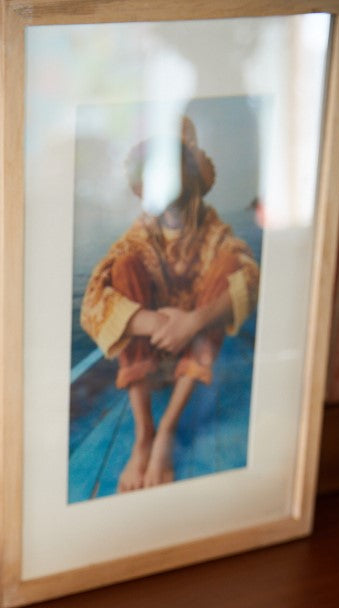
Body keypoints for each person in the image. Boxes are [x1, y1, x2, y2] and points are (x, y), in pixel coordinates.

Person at [79, 116, 260, 492]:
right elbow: (95, 296)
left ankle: (167, 429)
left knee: (230, 268)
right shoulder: (141, 232)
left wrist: (193, 322)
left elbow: (250, 276)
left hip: (191, 358)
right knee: (122, 268)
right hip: (150, 357)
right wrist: (152, 323)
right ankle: (145, 432)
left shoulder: (213, 230)